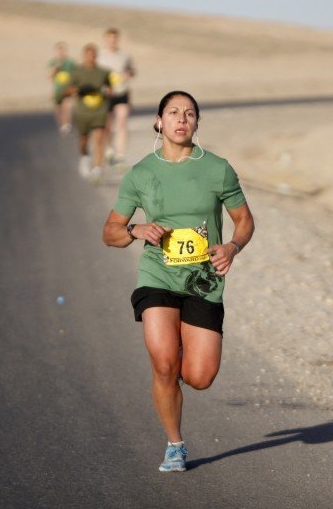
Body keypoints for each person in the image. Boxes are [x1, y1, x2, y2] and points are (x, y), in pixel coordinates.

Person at [102, 90, 255, 472]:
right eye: (173, 112)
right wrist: (137, 230)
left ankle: (181, 356)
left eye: (189, 113)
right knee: (164, 364)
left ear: (197, 123)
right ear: (159, 121)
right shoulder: (141, 173)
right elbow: (110, 232)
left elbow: (245, 221)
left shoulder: (217, 169)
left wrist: (233, 247)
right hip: (157, 275)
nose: (181, 119)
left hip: (203, 280)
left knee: (200, 378)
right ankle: (175, 444)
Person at [64, 44, 112, 182]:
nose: (91, 57)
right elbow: (66, 90)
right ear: (84, 55)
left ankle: (98, 168)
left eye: (93, 55)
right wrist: (78, 90)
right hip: (82, 111)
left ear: (96, 56)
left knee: (98, 138)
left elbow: (110, 88)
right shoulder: (76, 71)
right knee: (84, 139)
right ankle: (85, 157)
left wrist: (107, 91)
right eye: (88, 55)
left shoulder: (103, 72)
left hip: (100, 109)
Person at [97, 28, 136, 167]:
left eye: (115, 39)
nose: (112, 41)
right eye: (110, 39)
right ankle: (109, 148)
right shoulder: (99, 56)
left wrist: (128, 74)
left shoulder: (124, 55)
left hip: (122, 92)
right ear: (105, 40)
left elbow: (132, 70)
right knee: (107, 126)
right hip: (105, 95)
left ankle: (120, 156)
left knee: (122, 122)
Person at [47, 42, 76, 134]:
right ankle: (61, 125)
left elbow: (75, 75)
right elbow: (49, 76)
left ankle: (67, 124)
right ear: (56, 51)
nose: (61, 52)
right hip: (57, 89)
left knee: (67, 107)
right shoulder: (53, 62)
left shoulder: (70, 62)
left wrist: (74, 87)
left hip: (67, 88)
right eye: (59, 50)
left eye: (63, 50)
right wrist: (56, 68)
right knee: (58, 109)